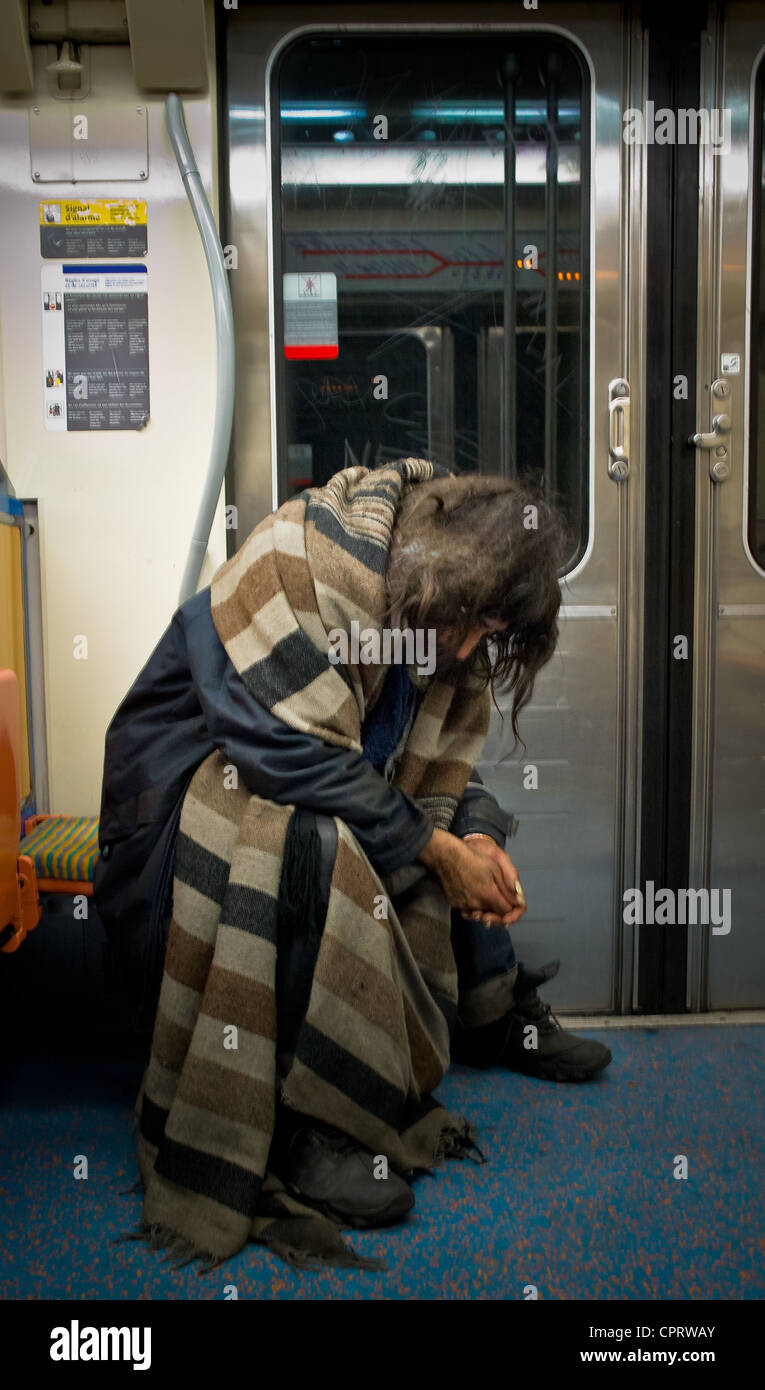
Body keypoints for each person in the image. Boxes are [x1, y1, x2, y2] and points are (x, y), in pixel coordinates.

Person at [98, 458, 611, 1271]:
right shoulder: (301, 564)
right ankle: (299, 1121)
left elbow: (415, 772)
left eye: (494, 635)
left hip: (299, 778)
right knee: (317, 841)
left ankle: (488, 1010)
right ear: (437, 574)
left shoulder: (430, 608)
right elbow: (286, 759)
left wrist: (471, 842)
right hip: (176, 828)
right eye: (473, 624)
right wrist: (433, 849)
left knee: (455, 811)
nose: (475, 648)